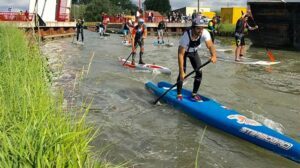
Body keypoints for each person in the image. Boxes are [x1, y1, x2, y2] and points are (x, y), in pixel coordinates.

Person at [177, 18, 217, 102]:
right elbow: (180, 54)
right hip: (184, 52)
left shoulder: (205, 33)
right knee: (182, 73)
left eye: (202, 28)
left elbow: (210, 45)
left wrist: (213, 55)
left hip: (194, 52)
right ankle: (179, 93)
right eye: (198, 28)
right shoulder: (186, 36)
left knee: (199, 72)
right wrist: (182, 72)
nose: (200, 30)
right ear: (193, 28)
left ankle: (194, 94)